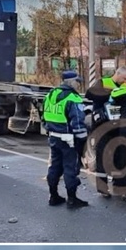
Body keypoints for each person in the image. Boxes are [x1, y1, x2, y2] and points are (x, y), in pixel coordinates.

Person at [43, 70, 89, 209]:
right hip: (68, 139)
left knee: (55, 166)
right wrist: (82, 141)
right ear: (72, 82)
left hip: (53, 136)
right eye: (77, 81)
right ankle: (72, 199)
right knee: (70, 168)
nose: (78, 84)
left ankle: (53, 196)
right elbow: (78, 122)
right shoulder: (73, 98)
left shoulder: (51, 94)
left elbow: (43, 115)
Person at [85, 66, 126, 197]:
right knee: (103, 157)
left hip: (117, 126)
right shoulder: (103, 82)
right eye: (124, 78)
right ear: (117, 74)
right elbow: (89, 94)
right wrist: (110, 94)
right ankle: (103, 188)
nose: (125, 81)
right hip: (102, 125)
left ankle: (118, 185)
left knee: (119, 156)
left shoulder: (124, 87)